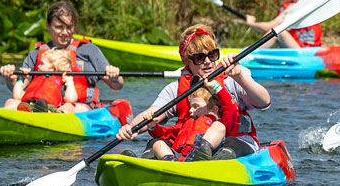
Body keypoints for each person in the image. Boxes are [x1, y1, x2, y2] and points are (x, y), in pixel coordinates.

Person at [116, 25, 271, 160]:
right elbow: (152, 113)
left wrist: (240, 77)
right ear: (187, 62)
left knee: (229, 146)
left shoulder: (233, 76)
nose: (208, 61)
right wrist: (130, 127)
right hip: (193, 145)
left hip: (233, 140)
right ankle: (145, 166)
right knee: (155, 143)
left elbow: (264, 102)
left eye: (212, 55)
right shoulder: (175, 88)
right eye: (199, 58)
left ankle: (211, 164)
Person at [0, 1, 122, 113]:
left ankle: (54, 116)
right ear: (48, 26)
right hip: (39, 105)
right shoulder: (36, 53)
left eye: (69, 27)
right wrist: (9, 78)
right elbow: (18, 88)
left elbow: (117, 85)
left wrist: (115, 77)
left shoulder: (88, 50)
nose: (65, 33)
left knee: (70, 107)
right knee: (11, 102)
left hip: (80, 106)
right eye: (59, 27)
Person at [141, 87, 227, 161]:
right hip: (181, 158)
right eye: (190, 107)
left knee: (219, 126)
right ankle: (172, 163)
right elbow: (164, 132)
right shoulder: (185, 124)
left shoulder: (214, 122)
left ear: (213, 110)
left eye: (195, 106)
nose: (190, 110)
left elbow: (231, 108)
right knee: (157, 144)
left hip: (207, 155)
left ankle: (199, 151)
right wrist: (152, 125)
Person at [244, 0, 320, 49]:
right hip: (310, 49)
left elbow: (267, 28)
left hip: (305, 52)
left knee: (278, 32)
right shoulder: (305, 5)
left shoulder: (292, 9)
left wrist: (251, 23)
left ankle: (244, 53)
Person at [4, 49, 78, 113]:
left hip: (50, 110)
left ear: (54, 69)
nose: (38, 66)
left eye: (42, 64)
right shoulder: (36, 77)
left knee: (69, 106)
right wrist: (21, 79)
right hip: (28, 105)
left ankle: (57, 114)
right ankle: (1, 115)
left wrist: (70, 82)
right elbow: (17, 96)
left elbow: (70, 100)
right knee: (11, 101)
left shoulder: (63, 80)